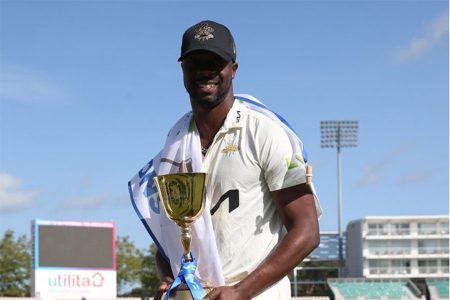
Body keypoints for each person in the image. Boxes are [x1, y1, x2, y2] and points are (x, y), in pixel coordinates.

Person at [130, 20, 321, 300]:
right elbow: (168, 242)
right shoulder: (175, 142)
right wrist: (170, 280)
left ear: (233, 69)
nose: (205, 70)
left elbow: (306, 232)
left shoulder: (265, 131)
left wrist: (242, 291)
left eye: (215, 62)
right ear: (182, 70)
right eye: (195, 62)